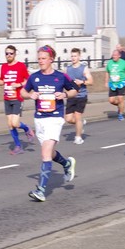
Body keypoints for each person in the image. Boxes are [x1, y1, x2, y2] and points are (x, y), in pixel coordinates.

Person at [21, 45, 77, 202]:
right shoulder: (34, 77)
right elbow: (23, 92)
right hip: (39, 119)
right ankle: (66, 164)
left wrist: (64, 94)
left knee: (45, 153)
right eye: (39, 58)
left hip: (55, 118)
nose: (40, 61)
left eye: (44, 58)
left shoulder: (61, 76)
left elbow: (74, 90)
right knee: (50, 153)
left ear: (51, 59)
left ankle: (41, 190)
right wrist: (30, 95)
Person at [0, 46, 33, 153]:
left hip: (17, 98)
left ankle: (26, 128)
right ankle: (18, 146)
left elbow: (28, 80)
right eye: (7, 53)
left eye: (11, 53)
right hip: (7, 98)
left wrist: (19, 84)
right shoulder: (3, 67)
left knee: (15, 123)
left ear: (15, 54)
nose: (9, 55)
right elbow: (2, 81)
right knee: (10, 124)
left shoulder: (20, 66)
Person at [63, 47, 92, 144]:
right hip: (71, 96)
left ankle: (78, 137)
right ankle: (80, 124)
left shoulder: (83, 68)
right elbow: (64, 81)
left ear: (79, 57)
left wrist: (82, 82)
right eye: (72, 56)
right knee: (68, 119)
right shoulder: (68, 69)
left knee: (77, 115)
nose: (73, 58)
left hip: (81, 96)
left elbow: (91, 81)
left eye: (75, 56)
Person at [104, 47, 125, 121]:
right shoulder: (110, 63)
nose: (114, 56)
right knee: (111, 100)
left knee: (120, 98)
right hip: (113, 84)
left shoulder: (124, 63)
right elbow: (107, 72)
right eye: (113, 55)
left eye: (115, 55)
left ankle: (120, 114)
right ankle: (120, 105)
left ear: (119, 56)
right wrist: (106, 81)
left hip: (121, 83)